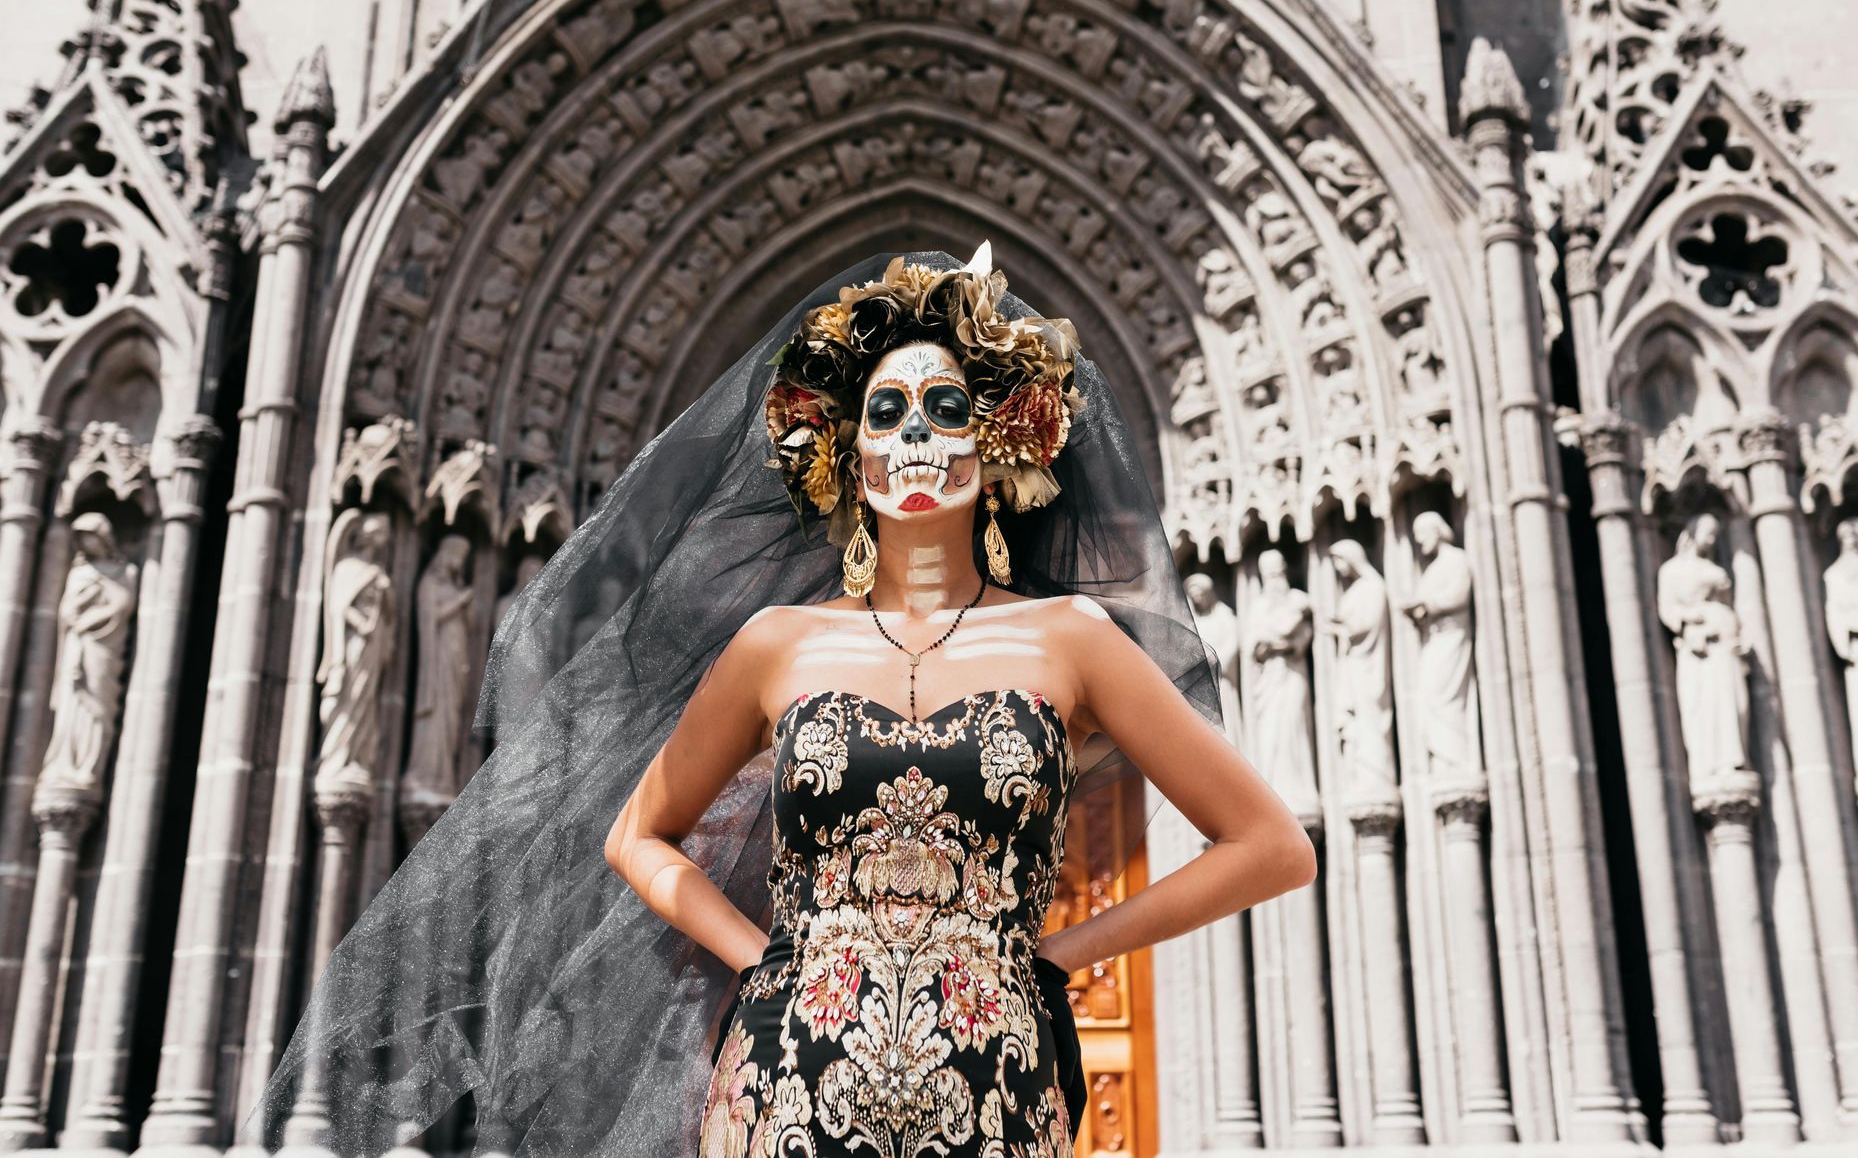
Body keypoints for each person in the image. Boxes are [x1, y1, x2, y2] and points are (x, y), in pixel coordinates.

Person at [244, 244, 1315, 1157]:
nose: (913, 435)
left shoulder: (1069, 638)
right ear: (848, 455)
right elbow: (640, 834)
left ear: (996, 443)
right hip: (789, 1070)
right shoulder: (778, 645)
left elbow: (1270, 846)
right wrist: (762, 960)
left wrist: (1050, 958)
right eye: (883, 412)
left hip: (998, 1073)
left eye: (946, 408)